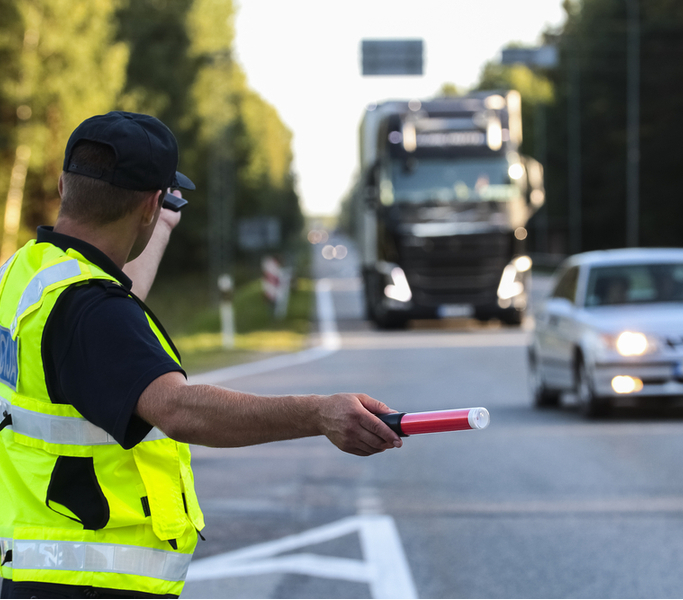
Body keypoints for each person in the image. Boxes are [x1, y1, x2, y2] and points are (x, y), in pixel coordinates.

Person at [0, 111, 403, 599]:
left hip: (35, 568)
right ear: (151, 203)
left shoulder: (25, 275)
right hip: (89, 580)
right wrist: (319, 413)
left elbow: (108, 331)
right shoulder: (92, 312)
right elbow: (178, 409)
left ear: (65, 186)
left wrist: (161, 226)